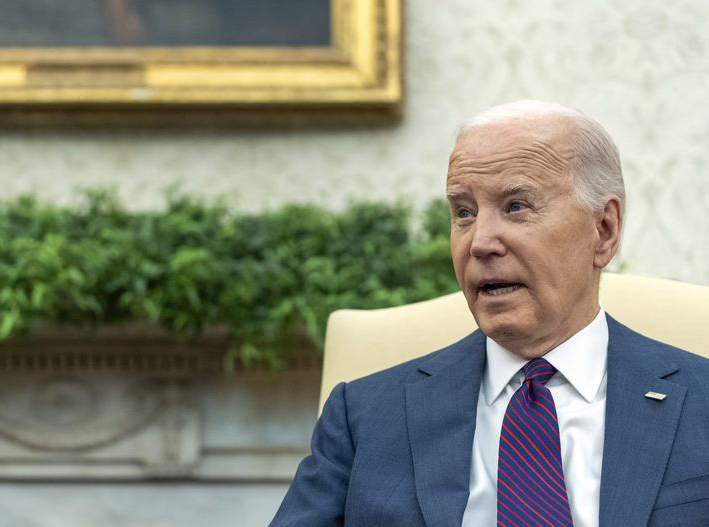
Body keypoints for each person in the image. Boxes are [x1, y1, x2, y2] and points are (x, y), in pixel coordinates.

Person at [270, 100, 709, 526]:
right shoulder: (363, 417)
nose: (480, 242)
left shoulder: (700, 402)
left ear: (604, 230)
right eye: (463, 212)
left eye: (516, 206)